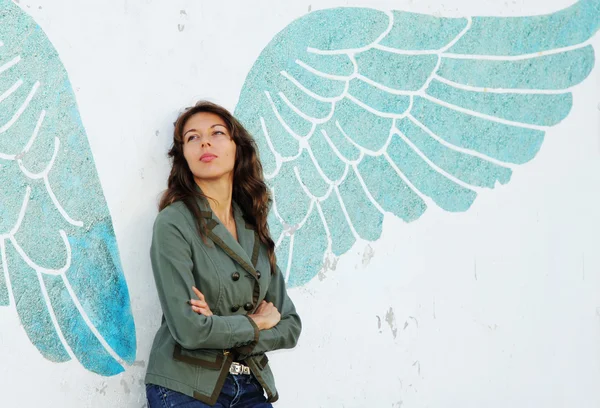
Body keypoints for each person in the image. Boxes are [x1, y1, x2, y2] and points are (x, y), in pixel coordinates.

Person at [145, 101, 302, 407]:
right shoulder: (174, 223)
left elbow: (290, 324)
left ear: (236, 147)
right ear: (184, 157)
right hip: (186, 386)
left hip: (252, 384)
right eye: (192, 137)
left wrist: (220, 326)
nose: (204, 141)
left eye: (217, 133)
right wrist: (256, 323)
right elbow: (189, 330)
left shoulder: (253, 226)